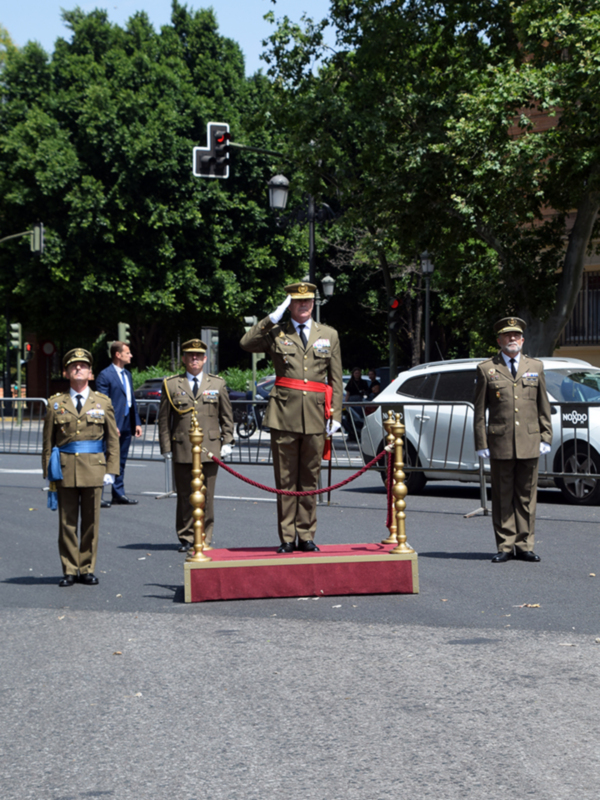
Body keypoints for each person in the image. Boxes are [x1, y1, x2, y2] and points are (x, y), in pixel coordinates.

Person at [240, 282, 343, 553]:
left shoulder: (329, 334)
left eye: (308, 300)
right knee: (286, 479)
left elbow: (336, 379)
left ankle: (306, 534)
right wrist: (272, 317)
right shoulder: (277, 332)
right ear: (290, 305)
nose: (304, 305)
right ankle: (287, 536)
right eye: (298, 302)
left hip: (316, 415)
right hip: (284, 415)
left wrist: (337, 415)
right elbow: (246, 343)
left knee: (310, 477)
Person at [474, 317, 552, 563]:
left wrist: (546, 436)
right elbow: (479, 411)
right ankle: (505, 545)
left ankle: (524, 544)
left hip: (530, 441)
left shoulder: (535, 366)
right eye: (507, 336)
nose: (512, 340)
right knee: (502, 495)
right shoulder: (487, 368)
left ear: (523, 340)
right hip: (500, 442)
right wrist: (481, 443)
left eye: (516, 336)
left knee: (527, 495)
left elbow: (543, 406)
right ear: (499, 340)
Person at [42, 348, 120, 587]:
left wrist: (111, 470)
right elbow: (47, 442)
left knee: (91, 522)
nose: (78, 368)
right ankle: (69, 569)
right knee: (66, 523)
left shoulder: (102, 402)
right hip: (64, 468)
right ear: (66, 373)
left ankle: (86, 568)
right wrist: (48, 471)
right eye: (73, 366)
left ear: (91, 373)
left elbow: (112, 439)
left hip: (94, 469)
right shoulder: (55, 404)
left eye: (83, 365)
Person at [158, 338, 234, 552]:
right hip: (182, 447)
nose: (194, 359)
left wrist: (228, 440)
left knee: (207, 495)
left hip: (209, 448)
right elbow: (164, 420)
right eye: (190, 355)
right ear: (183, 358)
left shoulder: (217, 384)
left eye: (199, 355)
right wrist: (165, 447)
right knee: (184, 495)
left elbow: (226, 416)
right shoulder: (171, 384)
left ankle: (204, 536)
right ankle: (186, 536)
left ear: (205, 359)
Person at [95, 340, 142, 507]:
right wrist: (110, 424)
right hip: (112, 425)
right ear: (118, 354)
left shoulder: (127, 375)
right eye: (128, 352)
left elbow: (131, 400)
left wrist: (136, 422)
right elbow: (102, 403)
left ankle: (118, 493)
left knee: (121, 460)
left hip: (127, 423)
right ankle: (97, 494)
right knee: (104, 458)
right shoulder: (105, 375)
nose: (131, 355)